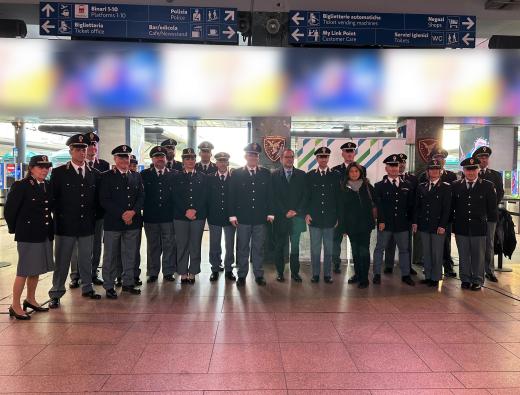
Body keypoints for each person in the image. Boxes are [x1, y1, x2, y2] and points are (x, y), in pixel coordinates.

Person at [48, 134, 101, 309]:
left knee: (86, 258)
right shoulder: (59, 173)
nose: (81, 152)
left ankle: (87, 287)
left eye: (84, 149)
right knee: (62, 261)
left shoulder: (94, 174)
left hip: (86, 224)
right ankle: (56, 293)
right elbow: (52, 199)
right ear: (70, 151)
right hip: (65, 225)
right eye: (78, 149)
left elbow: (97, 200)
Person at [5, 155, 54, 320]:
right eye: (41, 167)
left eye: (47, 167)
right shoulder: (21, 186)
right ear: (31, 168)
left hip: (43, 233)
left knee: (36, 269)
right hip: (28, 235)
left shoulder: (46, 185)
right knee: (24, 270)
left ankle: (30, 299)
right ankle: (15, 305)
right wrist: (16, 230)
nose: (44, 170)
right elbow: (10, 211)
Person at [100, 145, 144, 299]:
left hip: (133, 222)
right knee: (110, 256)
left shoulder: (136, 176)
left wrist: (132, 212)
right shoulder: (106, 176)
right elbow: (104, 199)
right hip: (113, 223)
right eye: (121, 157)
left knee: (130, 254)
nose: (125, 160)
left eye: (127, 157)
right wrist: (122, 214)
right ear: (115, 159)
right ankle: (109, 285)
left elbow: (141, 197)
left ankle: (128, 283)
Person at [228, 142, 274, 287]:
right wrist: (232, 215)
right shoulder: (236, 173)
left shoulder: (265, 173)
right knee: (242, 247)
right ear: (245, 156)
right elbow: (232, 195)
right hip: (243, 218)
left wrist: (271, 213)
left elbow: (269, 195)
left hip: (260, 217)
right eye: (250, 155)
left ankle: (259, 275)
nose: (252, 157)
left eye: (255, 155)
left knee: (258, 247)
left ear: (258, 158)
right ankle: (242, 275)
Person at [68, 131, 108, 289]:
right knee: (77, 246)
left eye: (94, 144)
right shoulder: (72, 167)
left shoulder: (103, 165)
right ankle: (75, 275)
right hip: (78, 214)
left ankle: (92, 273)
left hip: (96, 213)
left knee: (96, 244)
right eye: (89, 145)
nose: (92, 147)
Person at [452, 157, 497, 291]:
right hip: (461, 226)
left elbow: (492, 209)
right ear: (463, 171)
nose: (471, 173)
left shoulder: (487, 186)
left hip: (480, 227)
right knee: (464, 254)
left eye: (473, 169)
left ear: (478, 169)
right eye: (468, 170)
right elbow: (452, 206)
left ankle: (477, 280)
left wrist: (490, 228)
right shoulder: (456, 185)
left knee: (478, 255)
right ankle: (465, 279)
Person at [373, 154, 415, 286]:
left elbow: (411, 206)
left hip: (402, 225)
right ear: (386, 168)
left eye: (396, 166)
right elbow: (378, 206)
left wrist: (412, 222)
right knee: (380, 249)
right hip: (385, 224)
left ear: (399, 167)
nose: (394, 168)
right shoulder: (379, 186)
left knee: (404, 250)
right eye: (391, 166)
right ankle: (377, 274)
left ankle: (406, 275)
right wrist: (380, 221)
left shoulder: (407, 185)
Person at [412, 159, 452, 287]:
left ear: (440, 171)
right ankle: (428, 276)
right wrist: (415, 222)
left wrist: (442, 225)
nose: (434, 171)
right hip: (424, 224)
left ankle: (435, 277)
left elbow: (447, 209)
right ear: (428, 172)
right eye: (431, 169)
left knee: (437, 252)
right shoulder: (421, 186)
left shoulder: (446, 187)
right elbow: (417, 206)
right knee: (427, 252)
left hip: (438, 225)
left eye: (436, 169)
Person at [419, 147, 457, 278]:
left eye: (441, 158)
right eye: (436, 158)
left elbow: (452, 200)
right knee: (429, 246)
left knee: (445, 244)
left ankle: (447, 266)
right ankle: (429, 270)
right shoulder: (423, 177)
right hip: (428, 218)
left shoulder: (451, 176)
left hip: (445, 218)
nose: (439, 160)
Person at [141, 146, 177, 283]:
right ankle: (153, 272)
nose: (160, 159)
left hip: (168, 216)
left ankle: (168, 272)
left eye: (162, 156)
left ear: (166, 158)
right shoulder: (144, 175)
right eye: (157, 157)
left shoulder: (174, 174)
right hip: (151, 217)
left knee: (169, 245)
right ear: (152, 159)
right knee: (153, 245)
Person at [305, 146, 341, 284]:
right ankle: (315, 274)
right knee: (315, 249)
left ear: (328, 158)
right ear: (317, 158)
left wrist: (338, 217)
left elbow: (338, 198)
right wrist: (306, 214)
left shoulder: (336, 175)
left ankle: (327, 274)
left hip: (330, 219)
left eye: (325, 157)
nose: (323, 159)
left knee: (328, 249)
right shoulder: (310, 176)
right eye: (321, 157)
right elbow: (306, 197)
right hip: (314, 219)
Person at [338, 162, 376, 289]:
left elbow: (375, 204)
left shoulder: (367, 187)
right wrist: (342, 227)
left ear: (360, 173)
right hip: (351, 226)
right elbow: (341, 209)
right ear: (348, 173)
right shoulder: (343, 188)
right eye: (351, 171)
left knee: (364, 251)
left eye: (356, 171)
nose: (354, 174)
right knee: (355, 251)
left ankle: (364, 278)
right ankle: (358, 274)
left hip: (365, 225)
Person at [272, 148, 307, 282]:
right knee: (279, 247)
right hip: (281, 218)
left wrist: (296, 211)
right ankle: (280, 273)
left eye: (291, 157)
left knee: (295, 247)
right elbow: (273, 197)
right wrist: (284, 211)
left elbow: (305, 196)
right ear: (281, 159)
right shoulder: (274, 176)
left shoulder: (302, 175)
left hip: (296, 218)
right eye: (286, 157)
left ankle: (295, 273)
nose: (289, 159)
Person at [173, 148, 208, 284]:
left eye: (192, 158)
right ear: (183, 161)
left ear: (195, 160)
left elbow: (204, 196)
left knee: (195, 244)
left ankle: (193, 271)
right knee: (181, 244)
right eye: (187, 159)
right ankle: (182, 272)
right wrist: (186, 211)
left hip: (197, 217)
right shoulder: (176, 176)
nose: (190, 161)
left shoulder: (202, 177)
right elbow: (175, 196)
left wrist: (195, 210)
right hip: (180, 216)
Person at [331, 141, 365, 274]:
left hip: (354, 213)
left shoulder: (361, 169)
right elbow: (334, 193)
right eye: (347, 152)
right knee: (336, 240)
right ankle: (336, 263)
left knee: (356, 241)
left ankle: (359, 266)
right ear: (342, 154)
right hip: (339, 210)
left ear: (354, 153)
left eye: (352, 151)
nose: (349, 154)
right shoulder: (335, 170)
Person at [473, 145, 504, 283]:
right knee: (475, 244)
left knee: (489, 244)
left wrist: (489, 208)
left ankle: (489, 271)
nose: (483, 160)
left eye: (486, 157)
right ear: (476, 159)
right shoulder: (471, 172)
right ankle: (475, 270)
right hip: (474, 216)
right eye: (481, 157)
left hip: (490, 216)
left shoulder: (495, 175)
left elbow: (500, 193)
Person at [384, 153, 418, 275]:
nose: (401, 165)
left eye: (402, 163)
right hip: (391, 217)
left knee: (407, 245)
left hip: (406, 218)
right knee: (390, 242)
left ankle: (408, 266)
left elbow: (414, 201)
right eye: (398, 163)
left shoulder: (412, 179)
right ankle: (388, 265)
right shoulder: (386, 178)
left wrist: (413, 219)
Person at [207, 152, 236, 281]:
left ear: (228, 163)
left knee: (230, 245)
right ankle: (215, 268)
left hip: (230, 218)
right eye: (220, 161)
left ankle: (229, 269)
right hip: (214, 217)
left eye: (225, 161)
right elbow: (206, 198)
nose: (223, 164)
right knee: (214, 244)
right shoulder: (210, 178)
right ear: (216, 163)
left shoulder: (234, 178)